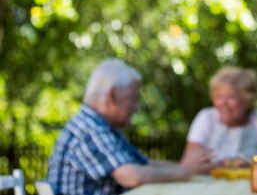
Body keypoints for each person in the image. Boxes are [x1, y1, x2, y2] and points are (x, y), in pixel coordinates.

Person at [47, 59, 213, 195]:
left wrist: (188, 167)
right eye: (133, 99)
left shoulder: (103, 127)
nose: (136, 107)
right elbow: (132, 176)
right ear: (112, 96)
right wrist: (185, 171)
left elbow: (145, 164)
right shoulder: (88, 129)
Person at [181, 66, 257, 167]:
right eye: (218, 96)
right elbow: (188, 164)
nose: (223, 103)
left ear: (247, 100)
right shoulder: (206, 117)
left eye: (231, 96)